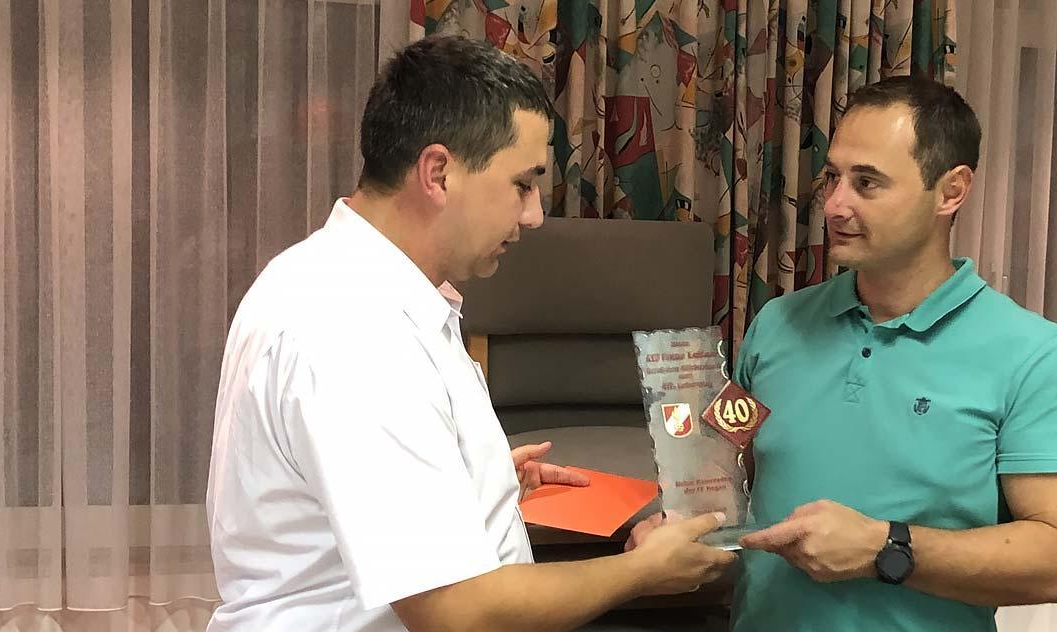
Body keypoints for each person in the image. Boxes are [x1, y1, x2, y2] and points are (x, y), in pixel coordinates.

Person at [205, 35, 734, 632]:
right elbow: (455, 612)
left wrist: (478, 481)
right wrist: (641, 571)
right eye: (522, 184)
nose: (534, 214)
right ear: (438, 173)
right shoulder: (356, 331)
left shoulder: (338, 280)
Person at [633, 75, 1057, 631]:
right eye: (832, 177)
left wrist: (886, 548)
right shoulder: (777, 324)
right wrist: (678, 523)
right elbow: (729, 478)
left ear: (951, 191)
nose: (834, 205)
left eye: (867, 183)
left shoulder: (1034, 355)